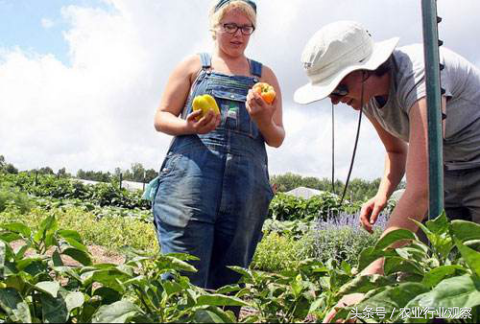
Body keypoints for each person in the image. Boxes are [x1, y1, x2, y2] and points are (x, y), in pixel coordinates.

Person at [293, 20, 480, 321]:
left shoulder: (422, 75)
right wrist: (382, 195)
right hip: (445, 172)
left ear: (366, 69)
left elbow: (420, 190)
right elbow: (396, 152)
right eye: (330, 94)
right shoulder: (365, 98)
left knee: (473, 278)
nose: (337, 100)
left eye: (339, 88)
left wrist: (369, 279)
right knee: (416, 277)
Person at [152, 0, 285, 293]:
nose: (238, 34)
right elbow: (161, 118)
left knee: (229, 283)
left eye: (245, 28)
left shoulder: (265, 77)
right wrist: (189, 126)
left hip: (244, 191)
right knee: (181, 276)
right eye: (230, 26)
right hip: (190, 185)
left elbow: (277, 137)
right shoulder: (194, 67)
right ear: (215, 27)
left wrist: (263, 119)